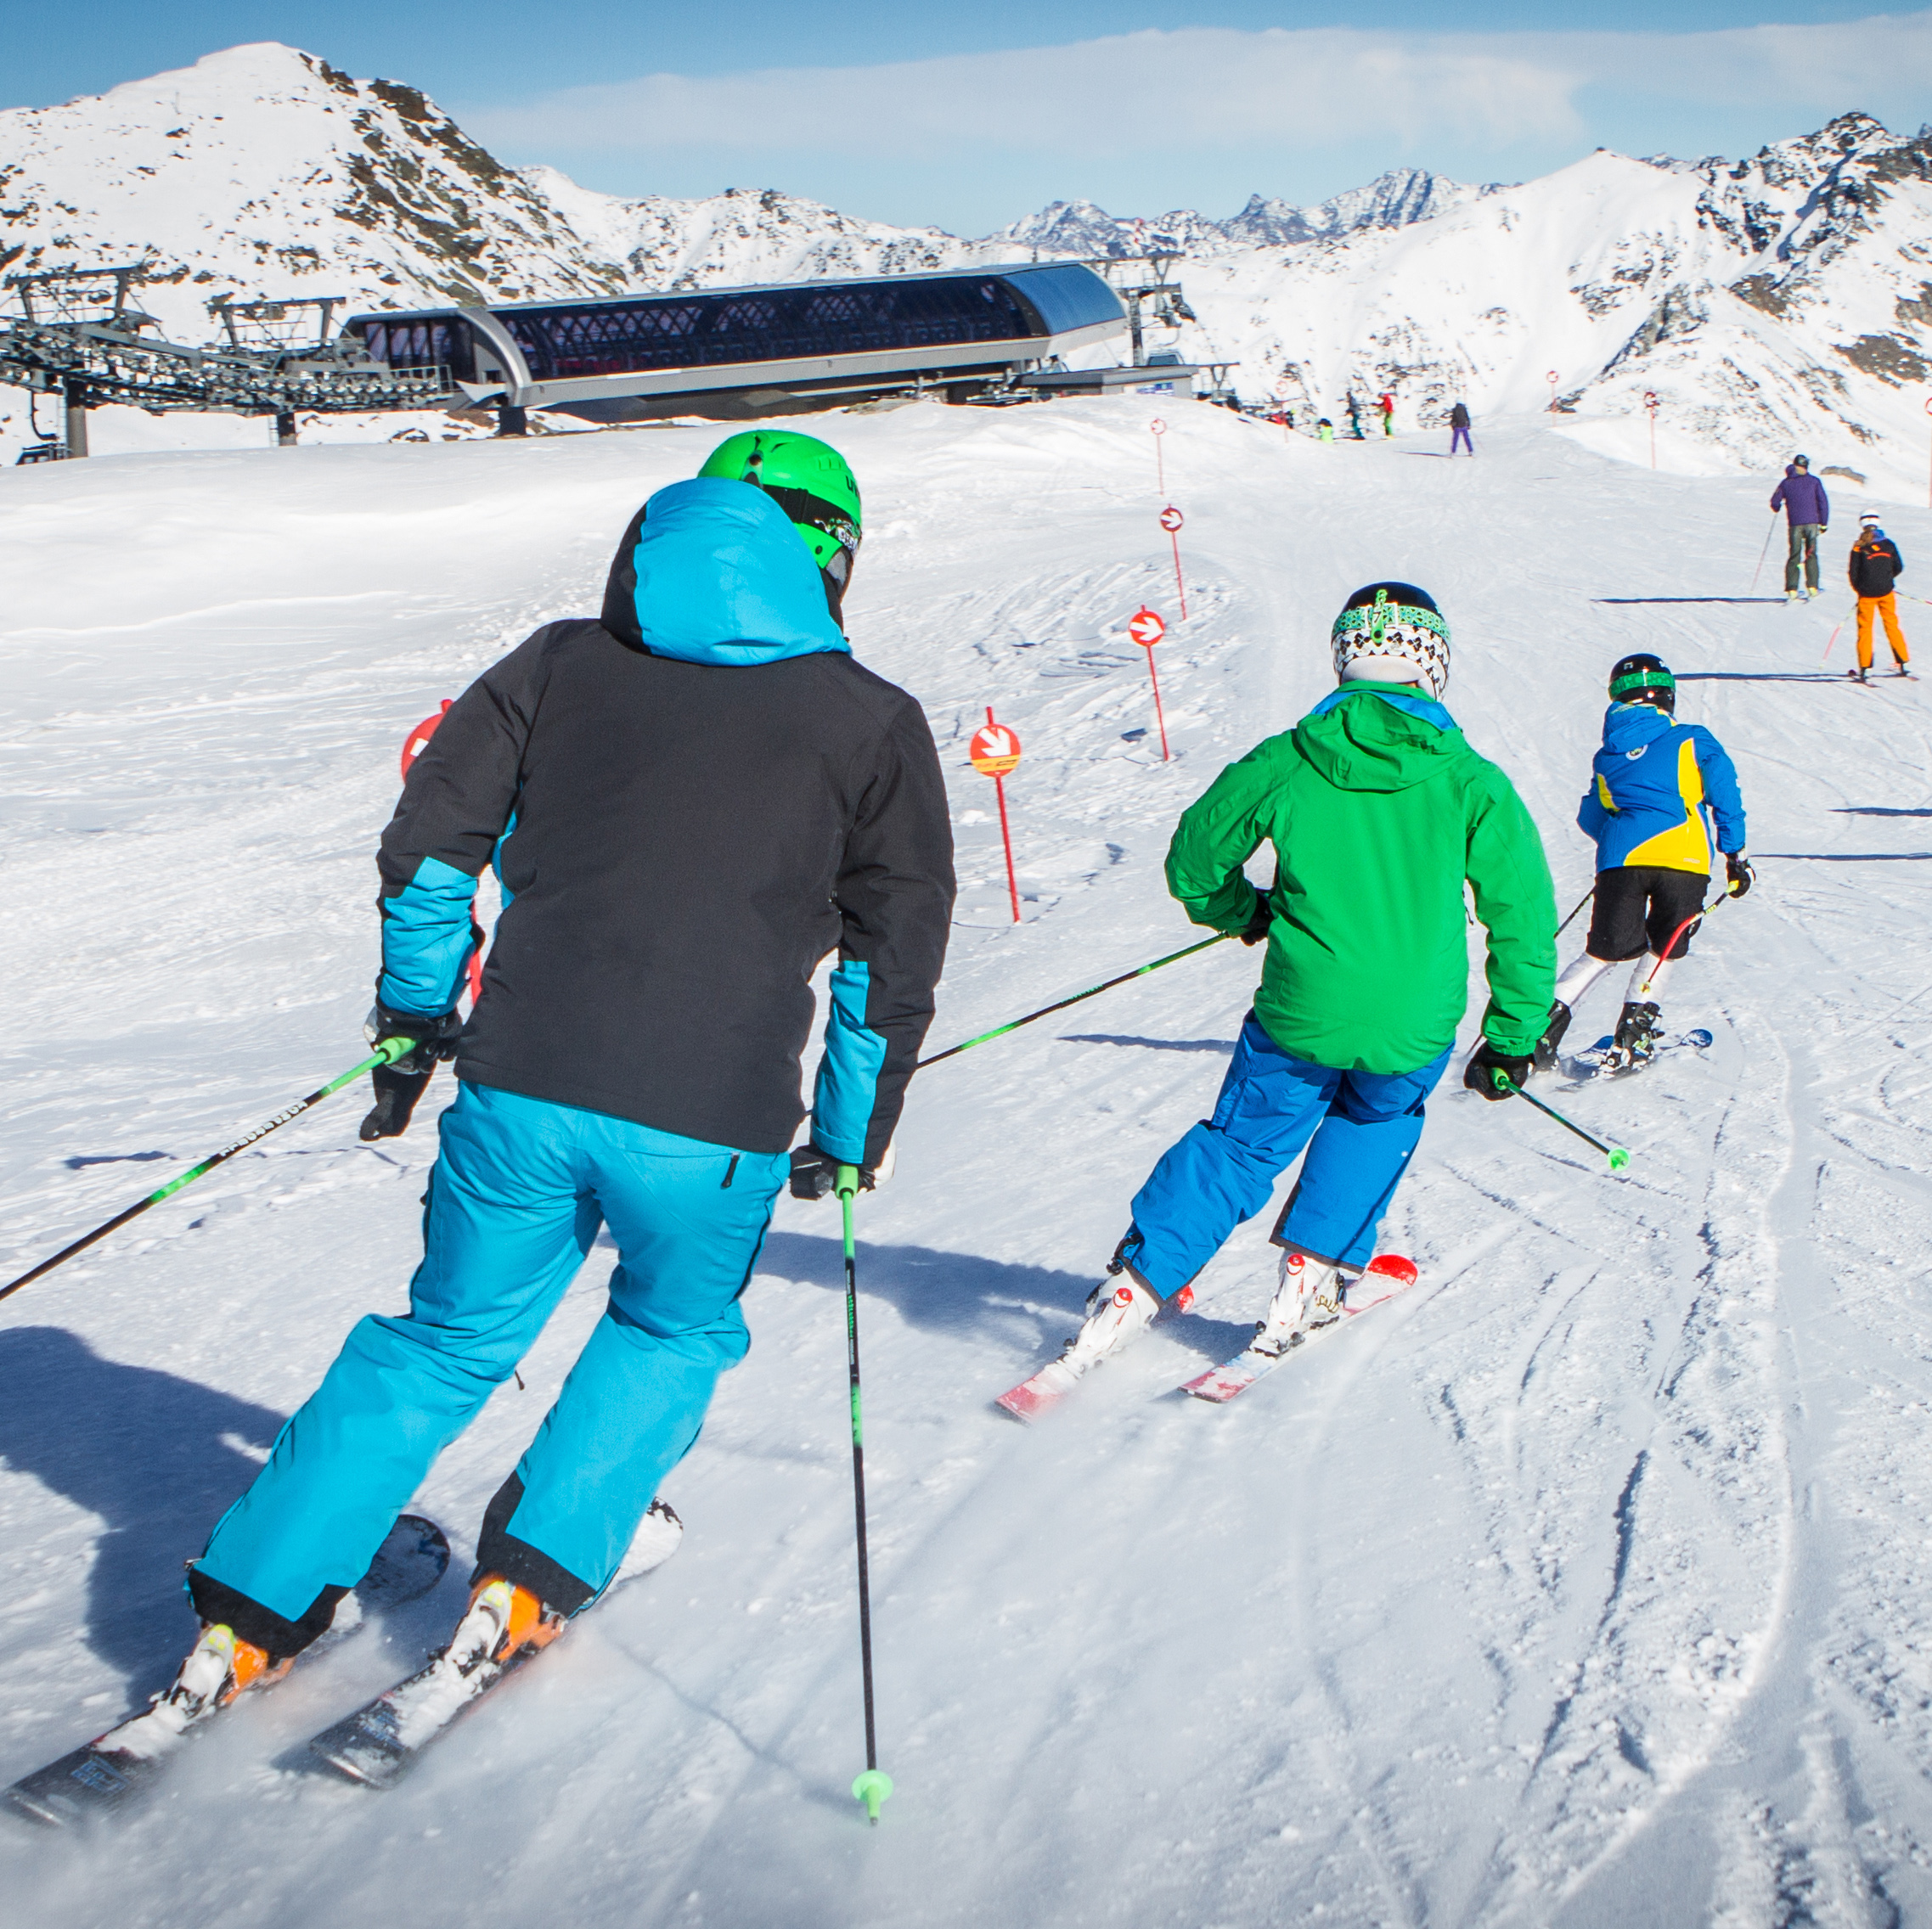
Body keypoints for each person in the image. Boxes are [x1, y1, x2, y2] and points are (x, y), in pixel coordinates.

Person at [144, 430, 955, 1729]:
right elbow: (888, 954)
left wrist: (413, 1024)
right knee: (667, 1328)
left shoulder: (557, 664)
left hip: (519, 1090)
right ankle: (524, 1584)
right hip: (712, 1121)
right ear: (833, 558)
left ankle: (248, 1608)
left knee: (448, 1337)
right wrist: (850, 1128)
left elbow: (427, 854)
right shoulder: (870, 720)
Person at [1032, 584, 1555, 1390]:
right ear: (1434, 665)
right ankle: (1306, 1286)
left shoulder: (1287, 759)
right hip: (1411, 1020)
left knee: (1241, 1143)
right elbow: (1522, 915)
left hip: (1300, 1009)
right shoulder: (1470, 781)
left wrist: (1246, 912)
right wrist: (1513, 1038)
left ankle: (1135, 1286)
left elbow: (1193, 862)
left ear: (1344, 654)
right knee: (1374, 1121)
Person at [1535, 654, 1749, 1069]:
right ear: (1667, 696)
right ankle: (1634, 1035)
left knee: (1604, 952)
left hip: (1621, 863)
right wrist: (1735, 856)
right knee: (1665, 945)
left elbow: (1591, 815)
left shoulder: (1608, 755)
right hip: (1683, 858)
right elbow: (1724, 790)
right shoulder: (1691, 738)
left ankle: (1540, 1036)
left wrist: (1622, 848)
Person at [1847, 511, 1912, 681]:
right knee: (1892, 624)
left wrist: (1860, 589)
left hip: (1866, 594)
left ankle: (1866, 667)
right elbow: (1898, 566)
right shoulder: (1888, 544)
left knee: (1865, 629)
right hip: (1886, 592)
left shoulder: (1858, 546)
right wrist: (1886, 580)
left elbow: (1853, 573)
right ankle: (1903, 662)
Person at [1771, 454, 1828, 602]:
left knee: (1794, 555)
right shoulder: (1814, 481)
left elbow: (1775, 501)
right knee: (1811, 554)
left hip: (1795, 524)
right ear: (1806, 466)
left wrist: (1777, 507)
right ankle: (1812, 587)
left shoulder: (1786, 483)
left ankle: (1792, 589)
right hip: (1812, 523)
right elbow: (1823, 502)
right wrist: (1823, 523)